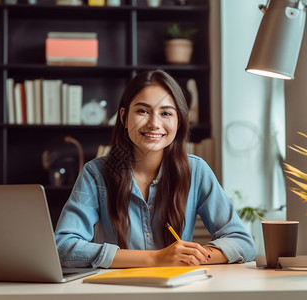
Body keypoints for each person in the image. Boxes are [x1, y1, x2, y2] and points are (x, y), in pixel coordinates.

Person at [55, 69, 256, 268]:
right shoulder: (96, 173)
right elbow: (63, 247)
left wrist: (190, 256)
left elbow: (242, 243)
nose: (154, 123)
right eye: (143, 111)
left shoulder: (196, 171)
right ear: (124, 118)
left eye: (166, 113)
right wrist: (156, 258)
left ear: (179, 122)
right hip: (116, 289)